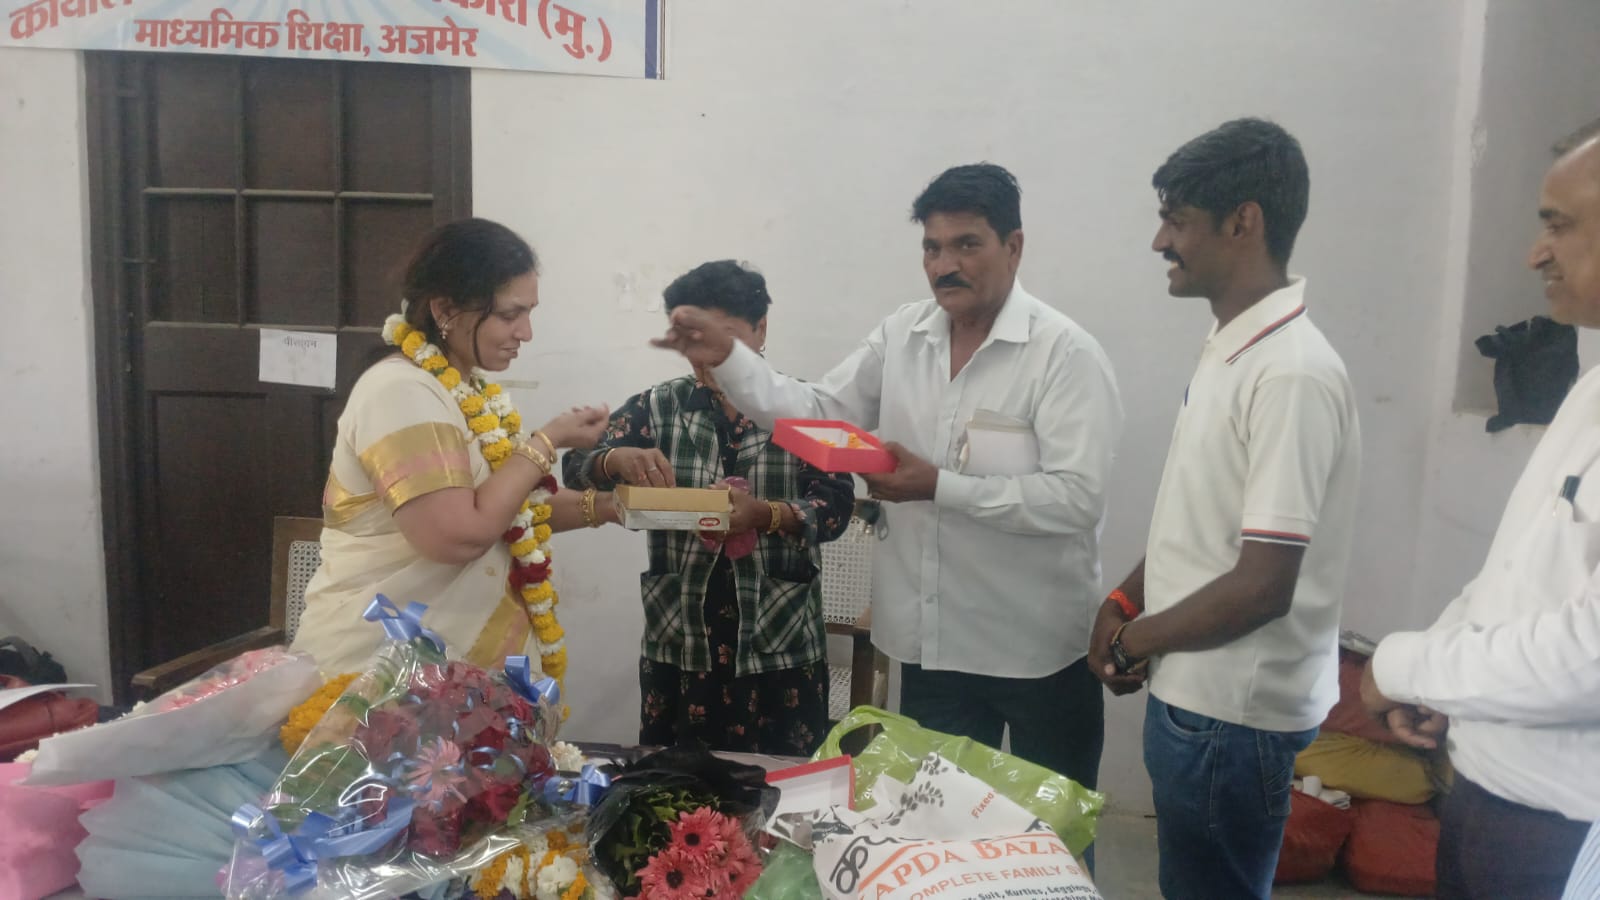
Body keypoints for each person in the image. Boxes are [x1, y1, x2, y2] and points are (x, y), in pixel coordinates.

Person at [652, 164, 1123, 790]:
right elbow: (822, 415)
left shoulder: (1065, 354)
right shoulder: (904, 335)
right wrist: (732, 361)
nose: (944, 265)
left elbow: (1077, 499)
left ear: (1013, 246)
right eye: (932, 247)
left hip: (1036, 650)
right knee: (937, 823)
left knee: (1050, 829)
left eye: (967, 244)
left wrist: (939, 486)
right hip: (931, 646)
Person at [1088, 118, 1362, 900]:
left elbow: (1263, 584)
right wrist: (1123, 599)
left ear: (1244, 221)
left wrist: (1135, 641)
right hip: (1197, 697)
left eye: (1177, 221)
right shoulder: (1234, 347)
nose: (1160, 242)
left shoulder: (1292, 374)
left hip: (1231, 716)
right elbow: (1202, 524)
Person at [1360, 118, 1600, 900]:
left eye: (1558, 226)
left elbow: (1589, 656)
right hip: (1486, 797)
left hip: (1565, 833)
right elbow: (1516, 570)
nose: (1536, 253)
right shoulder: (1591, 388)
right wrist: (1438, 671)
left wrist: (1402, 666)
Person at [291, 218, 616, 677]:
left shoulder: (465, 390)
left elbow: (513, 510)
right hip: (377, 673)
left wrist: (611, 506)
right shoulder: (400, 391)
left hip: (446, 676)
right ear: (445, 309)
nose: (526, 333)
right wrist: (547, 442)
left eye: (529, 313)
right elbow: (459, 534)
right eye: (509, 315)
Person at [563, 260, 855, 755]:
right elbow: (575, 466)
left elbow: (835, 506)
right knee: (677, 785)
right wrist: (615, 459)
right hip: (683, 640)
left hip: (779, 641)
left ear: (762, 329)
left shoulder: (805, 409)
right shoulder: (657, 407)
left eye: (727, 341)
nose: (711, 359)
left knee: (783, 784)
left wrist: (764, 515)